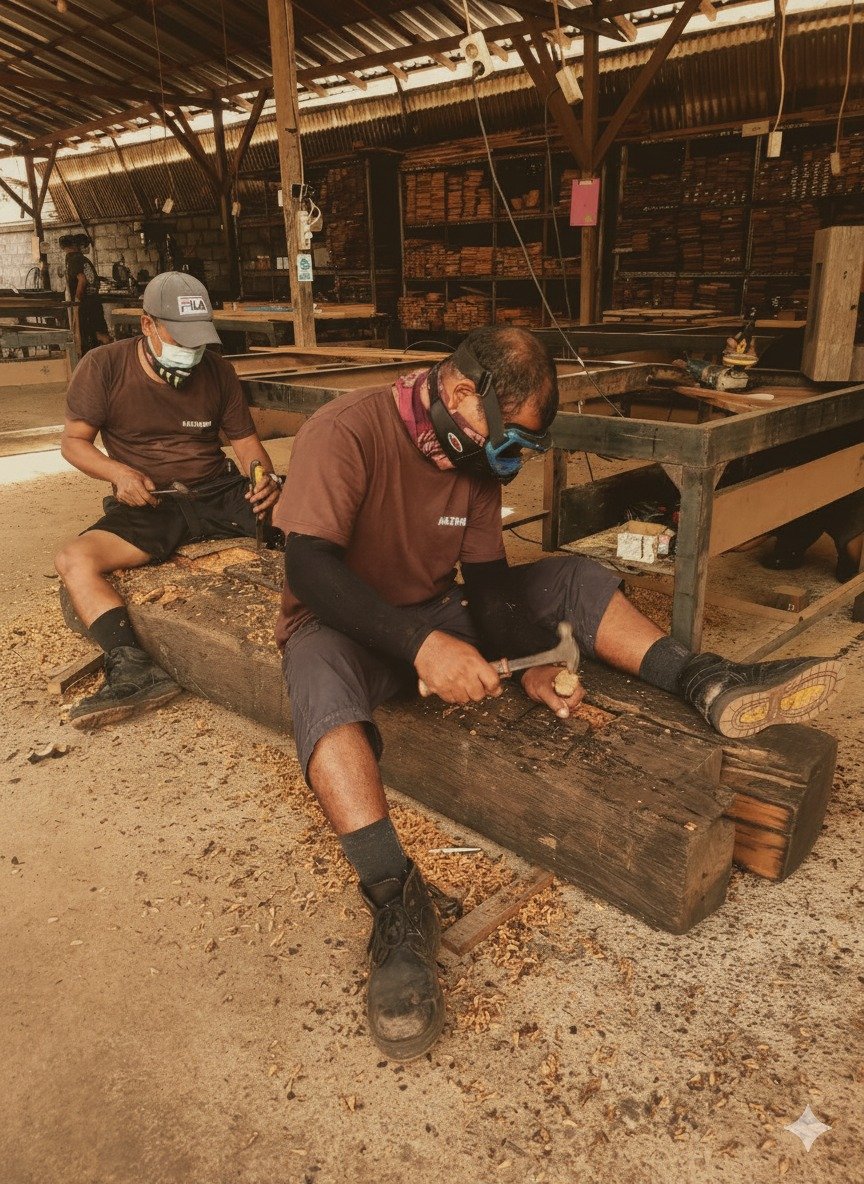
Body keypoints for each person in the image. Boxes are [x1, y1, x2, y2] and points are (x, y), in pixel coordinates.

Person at [271, 326, 844, 1063]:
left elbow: (488, 589)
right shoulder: (344, 432)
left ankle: (703, 679)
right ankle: (394, 900)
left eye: (530, 451)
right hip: (341, 625)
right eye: (513, 441)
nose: (512, 464)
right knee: (317, 677)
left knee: (568, 576)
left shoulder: (473, 461)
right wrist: (422, 648)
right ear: (457, 395)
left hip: (429, 612)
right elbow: (309, 568)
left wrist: (526, 662)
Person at [55, 272, 283, 730]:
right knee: (73, 559)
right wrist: (118, 473)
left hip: (217, 490)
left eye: (200, 341)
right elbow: (73, 443)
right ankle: (133, 666)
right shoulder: (103, 366)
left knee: (314, 516)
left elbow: (246, 445)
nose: (192, 352)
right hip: (152, 500)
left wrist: (265, 478)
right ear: (147, 325)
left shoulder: (217, 370)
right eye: (182, 339)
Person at [762, 494, 864, 582]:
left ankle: (849, 542)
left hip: (846, 492)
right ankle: (790, 544)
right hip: (803, 489)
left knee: (849, 568)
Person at [60, 234, 112, 355]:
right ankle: (107, 355)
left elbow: (82, 280)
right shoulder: (83, 259)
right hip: (94, 301)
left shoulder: (73, 259)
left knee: (88, 335)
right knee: (98, 332)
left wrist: (77, 301)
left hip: (85, 303)